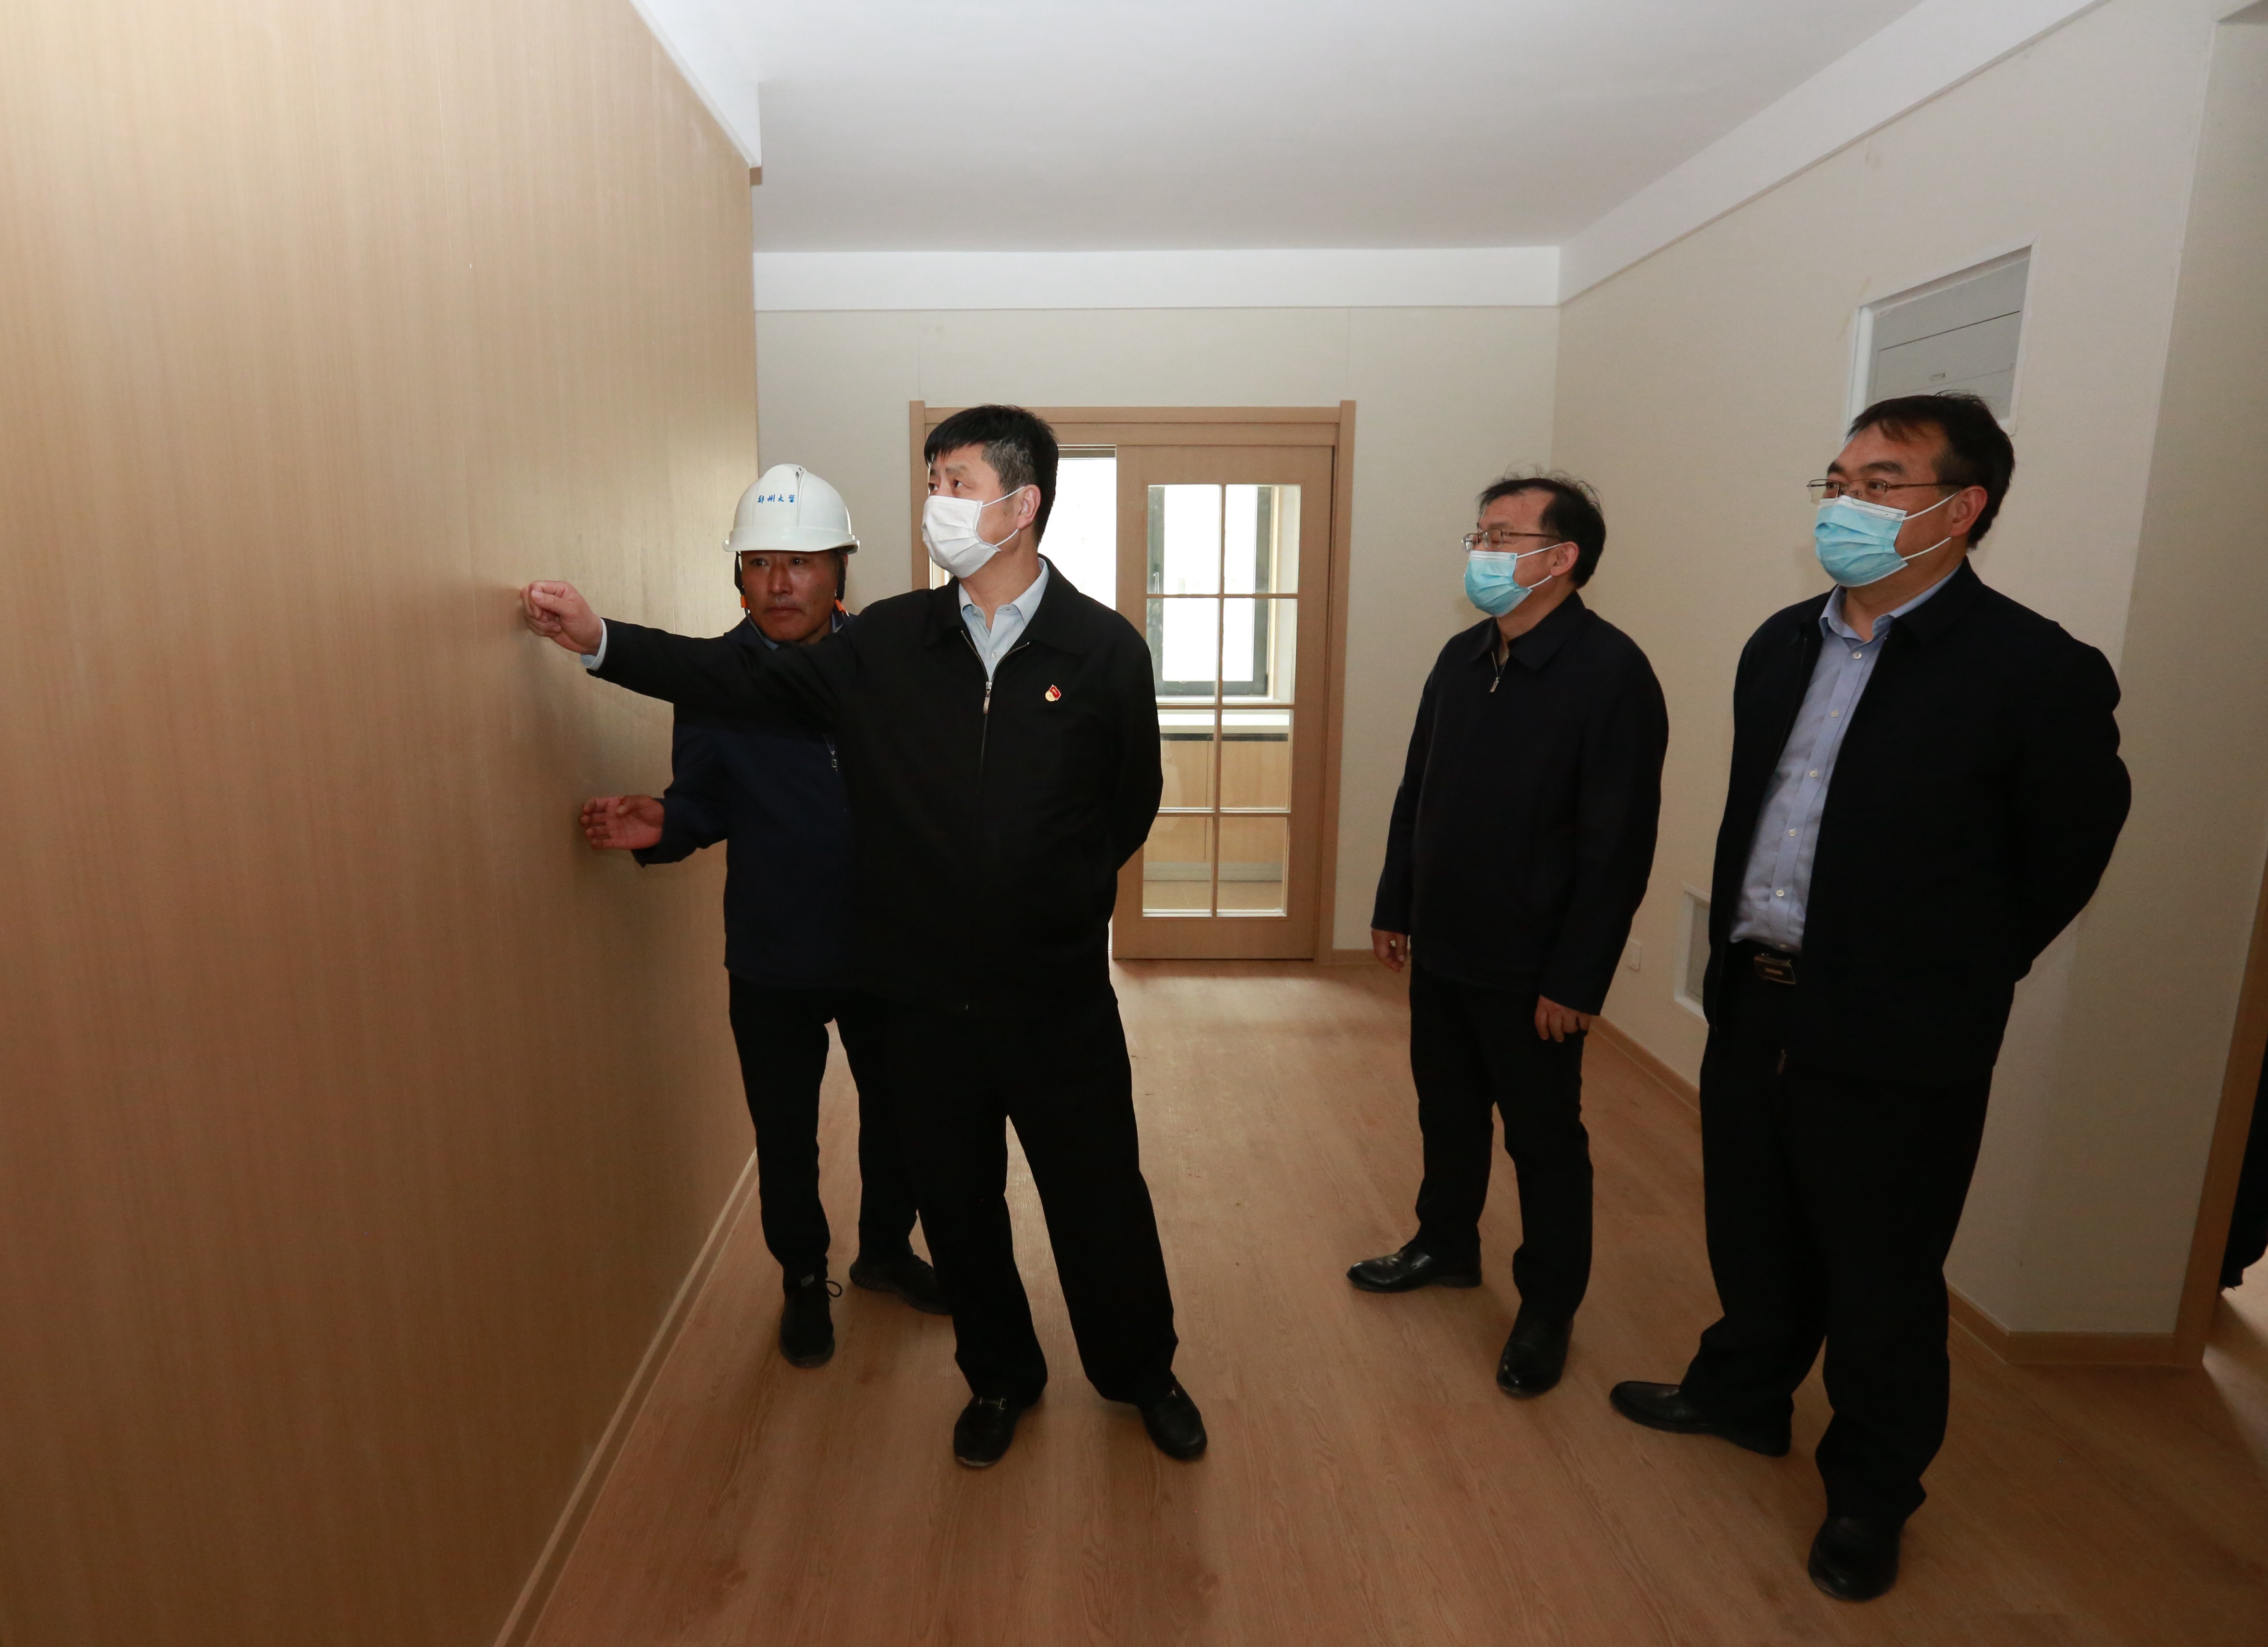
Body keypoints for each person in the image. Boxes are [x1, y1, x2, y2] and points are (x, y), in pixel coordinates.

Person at [520, 406, 1204, 1469]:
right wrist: (602, 640)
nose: (937, 502)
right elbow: (742, 679)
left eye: (958, 482)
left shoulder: (1103, 649)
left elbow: (1129, 804)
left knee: (1097, 1194)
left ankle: (1140, 1372)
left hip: (1055, 993)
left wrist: (1052, 899)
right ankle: (1000, 1377)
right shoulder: (889, 641)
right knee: (959, 1204)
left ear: (1021, 504)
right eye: (932, 480)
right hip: (921, 998)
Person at [1608, 393, 2130, 1602]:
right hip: (1758, 996)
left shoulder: (2033, 671)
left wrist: (1949, 968)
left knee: (1881, 1273)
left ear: (1961, 508)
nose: (1845, 503)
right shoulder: (1778, 643)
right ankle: (1742, 1395)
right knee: (1752, 1225)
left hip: (1901, 1027)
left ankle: (1869, 1492)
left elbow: (2063, 856)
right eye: (1837, 481)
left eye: (1880, 482)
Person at [577, 464, 944, 1368]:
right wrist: (665, 823)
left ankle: (885, 1250)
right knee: (784, 1135)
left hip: (887, 945)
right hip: (775, 950)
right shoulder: (715, 677)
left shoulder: (886, 662)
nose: (779, 583)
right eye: (759, 563)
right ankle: (802, 1278)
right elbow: (704, 798)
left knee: (902, 1115)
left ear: (839, 570)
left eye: (801, 562)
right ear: (737, 575)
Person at [1355, 474, 1666, 1398]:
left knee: (1542, 1139)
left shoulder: (1611, 674)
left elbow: (1617, 846)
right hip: (1445, 942)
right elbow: (1418, 791)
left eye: (1501, 537)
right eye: (1480, 535)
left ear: (1561, 557)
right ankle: (1446, 1244)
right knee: (1445, 1110)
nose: (1481, 552)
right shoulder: (1462, 656)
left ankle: (1546, 1306)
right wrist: (1395, 902)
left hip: (1534, 966)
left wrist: (1576, 979)